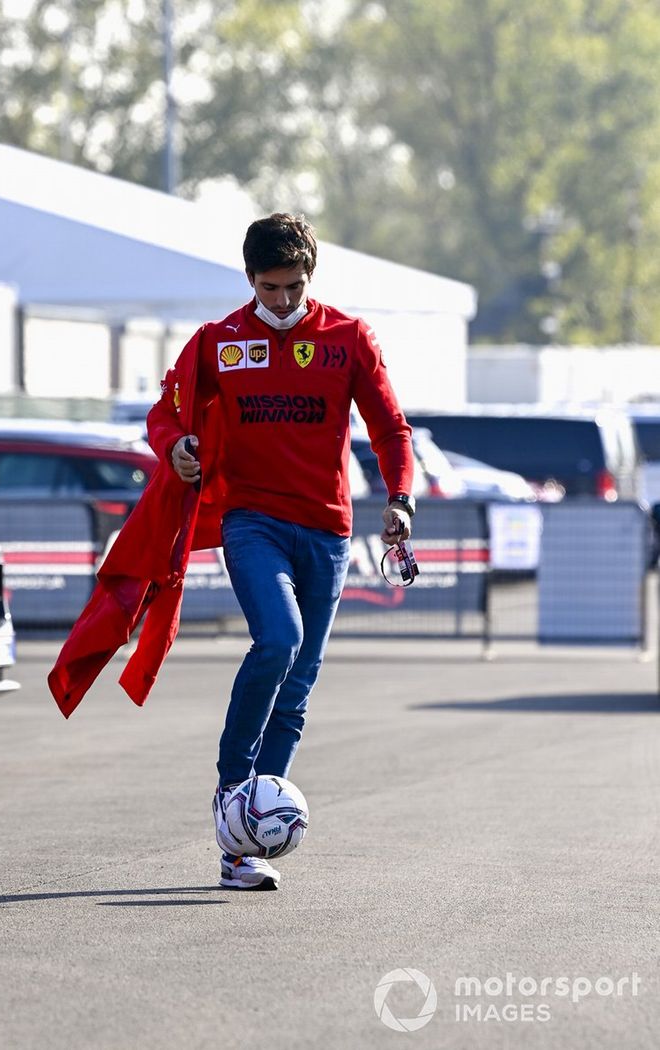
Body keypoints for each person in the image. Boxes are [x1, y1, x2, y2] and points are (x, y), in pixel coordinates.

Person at [146, 213, 415, 891]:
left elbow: (391, 429)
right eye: (271, 288)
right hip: (251, 521)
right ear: (249, 280)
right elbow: (166, 413)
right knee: (279, 642)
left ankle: (242, 847)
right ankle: (231, 789)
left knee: (297, 686)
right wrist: (175, 446)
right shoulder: (219, 341)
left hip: (327, 528)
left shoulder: (349, 338)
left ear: (311, 276)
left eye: (295, 286)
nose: (284, 301)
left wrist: (400, 497)